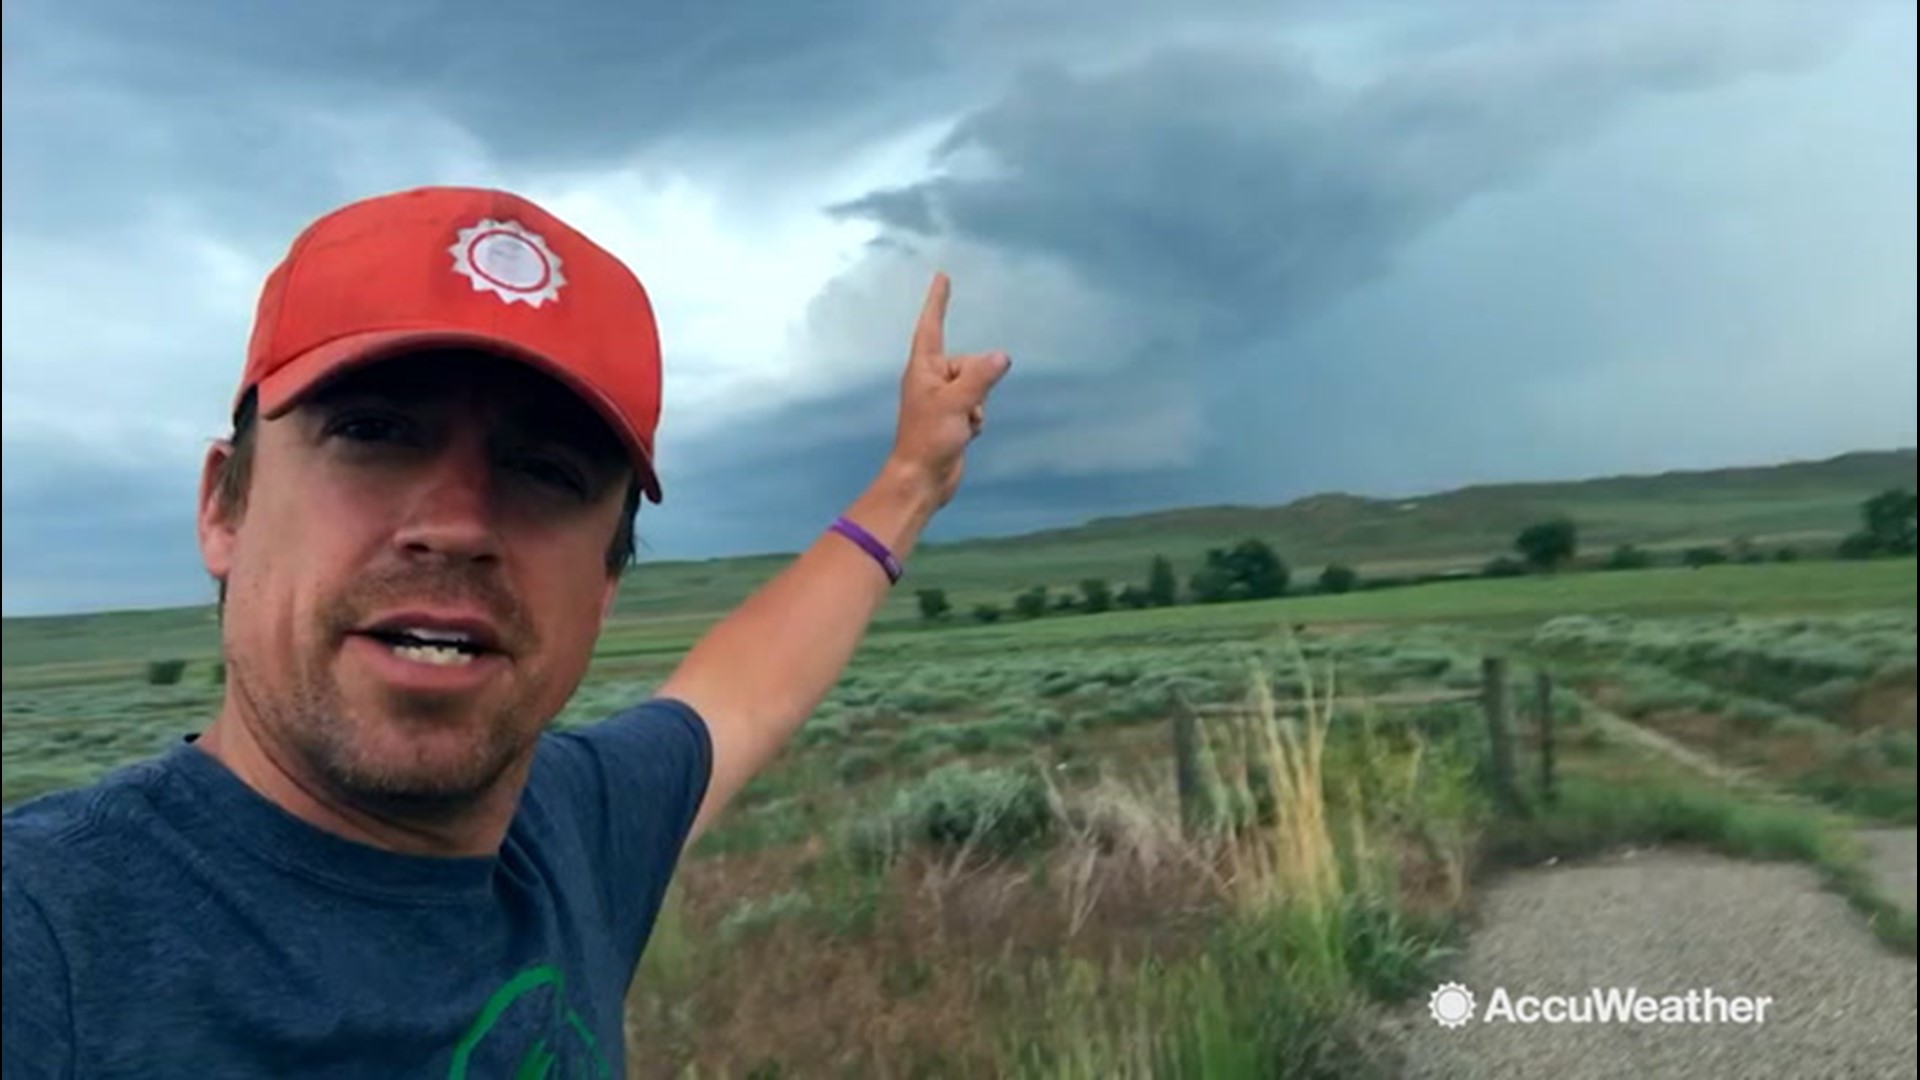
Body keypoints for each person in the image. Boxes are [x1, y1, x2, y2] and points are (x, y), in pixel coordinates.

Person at [1, 185, 1011, 1077]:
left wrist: (911, 480)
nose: (457, 524)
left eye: (546, 471)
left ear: (606, 583)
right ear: (226, 506)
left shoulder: (572, 833)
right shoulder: (49, 936)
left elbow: (744, 690)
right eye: (376, 432)